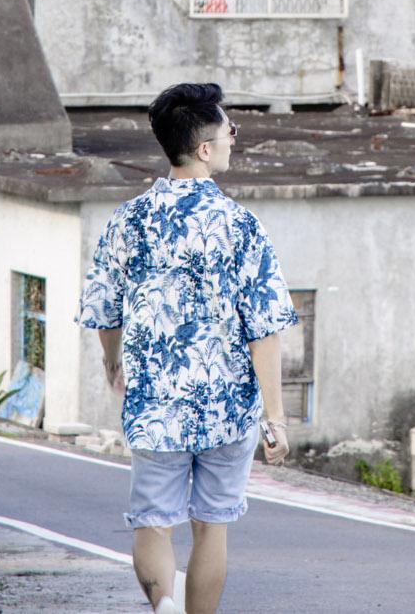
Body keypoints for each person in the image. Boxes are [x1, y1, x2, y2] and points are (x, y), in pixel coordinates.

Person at [78, 82, 298, 614]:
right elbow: (264, 329)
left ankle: (164, 606)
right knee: (212, 527)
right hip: (227, 408)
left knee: (153, 524)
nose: (233, 140)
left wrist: (113, 359)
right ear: (204, 148)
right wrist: (275, 418)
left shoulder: (128, 219)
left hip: (155, 404)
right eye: (229, 132)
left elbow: (104, 309)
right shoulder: (241, 225)